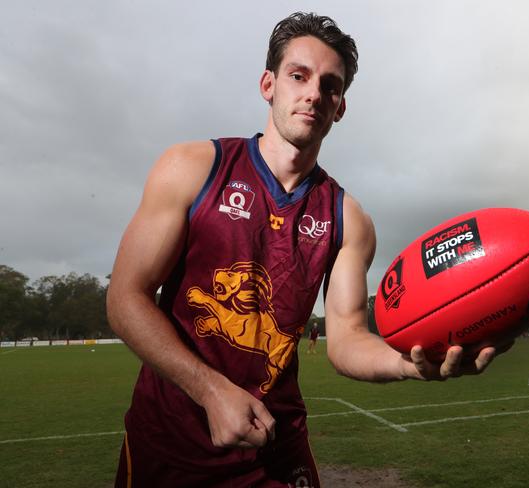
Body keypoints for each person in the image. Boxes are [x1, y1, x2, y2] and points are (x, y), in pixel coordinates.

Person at [107, 11, 499, 488]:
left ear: (340, 108)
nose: (314, 92)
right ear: (268, 84)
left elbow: (348, 337)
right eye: (299, 76)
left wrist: (406, 363)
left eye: (330, 86)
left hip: (275, 451)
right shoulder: (191, 168)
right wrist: (210, 391)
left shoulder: (348, 218)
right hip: (167, 446)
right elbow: (126, 298)